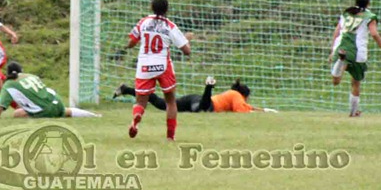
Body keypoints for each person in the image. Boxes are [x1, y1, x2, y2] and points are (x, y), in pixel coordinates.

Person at [126, 0, 191, 141]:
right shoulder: (170, 26)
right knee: (170, 101)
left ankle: (136, 119)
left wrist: (128, 46)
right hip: (162, 66)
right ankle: (170, 137)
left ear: (151, 7)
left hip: (144, 65)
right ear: (167, 9)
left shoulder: (143, 22)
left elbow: (131, 41)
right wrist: (187, 39)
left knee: (141, 101)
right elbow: (186, 51)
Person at [329, 0, 381, 117]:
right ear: (368, 3)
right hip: (357, 52)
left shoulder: (347, 12)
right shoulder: (369, 16)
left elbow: (337, 31)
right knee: (356, 81)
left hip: (341, 46)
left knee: (336, 81)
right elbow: (374, 33)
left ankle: (341, 61)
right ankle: (353, 112)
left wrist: (332, 50)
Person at [114, 77, 278, 113]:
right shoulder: (236, 95)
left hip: (194, 98)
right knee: (202, 109)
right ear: (245, 94)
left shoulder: (234, 95)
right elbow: (242, 111)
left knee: (162, 104)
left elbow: (247, 108)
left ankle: (126, 89)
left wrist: (263, 110)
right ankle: (208, 86)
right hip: (204, 102)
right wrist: (258, 112)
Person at [0, 61, 100, 118]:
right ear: (21, 70)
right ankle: (94, 116)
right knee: (64, 111)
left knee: (17, 114)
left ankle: (43, 113)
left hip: (44, 110)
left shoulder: (9, 84)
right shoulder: (30, 75)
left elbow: (1, 105)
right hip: (57, 101)